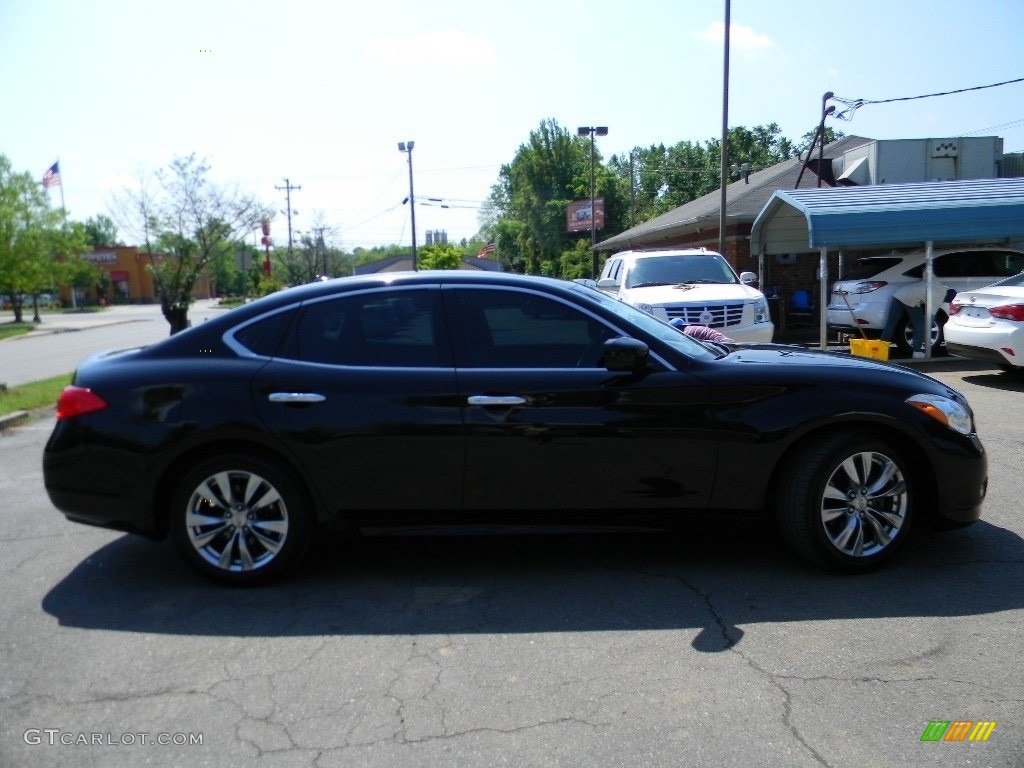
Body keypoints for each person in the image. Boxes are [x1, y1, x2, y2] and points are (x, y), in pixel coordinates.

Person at [879, 278, 949, 358]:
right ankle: (917, 352)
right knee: (920, 324)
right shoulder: (939, 298)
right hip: (911, 299)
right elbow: (930, 319)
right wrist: (925, 332)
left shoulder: (938, 285)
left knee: (891, 323)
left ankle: (880, 348)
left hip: (898, 294)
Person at [669, 318, 734, 343]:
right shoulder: (691, 328)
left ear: (677, 328)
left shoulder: (686, 333)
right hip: (722, 338)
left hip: (720, 342)